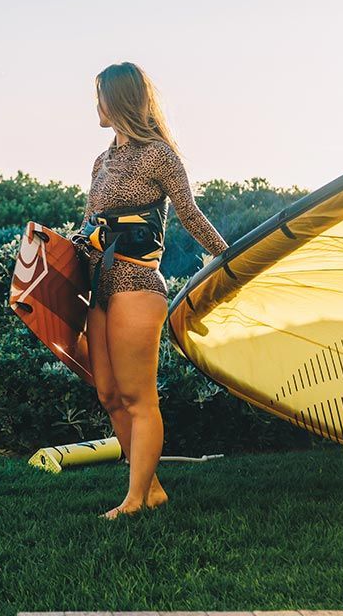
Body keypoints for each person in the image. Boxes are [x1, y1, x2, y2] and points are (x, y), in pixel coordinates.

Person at [75, 61, 229, 519]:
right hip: (98, 286)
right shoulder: (102, 161)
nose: (95, 105)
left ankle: (134, 499)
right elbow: (88, 225)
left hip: (137, 285)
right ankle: (152, 487)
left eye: (100, 95)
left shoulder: (158, 154)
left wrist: (229, 260)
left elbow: (190, 214)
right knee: (107, 393)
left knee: (139, 397)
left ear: (118, 98)